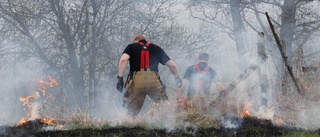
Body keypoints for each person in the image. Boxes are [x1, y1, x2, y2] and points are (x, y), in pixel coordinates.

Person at [116, 35, 182, 117]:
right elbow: (172, 65)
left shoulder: (131, 47)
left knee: (130, 112)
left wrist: (120, 78)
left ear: (136, 41)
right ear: (145, 41)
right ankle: (170, 123)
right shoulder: (156, 48)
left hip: (137, 82)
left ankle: (128, 125)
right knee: (165, 105)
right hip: (153, 81)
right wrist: (177, 78)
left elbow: (123, 60)